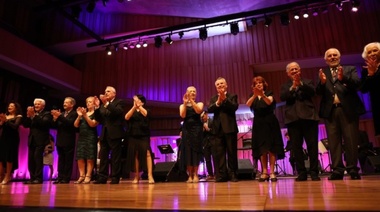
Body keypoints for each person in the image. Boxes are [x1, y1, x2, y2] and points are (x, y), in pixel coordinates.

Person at [316, 48, 365, 180]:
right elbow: (318, 92)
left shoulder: (350, 69)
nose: (332, 57)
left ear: (339, 57)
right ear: (326, 59)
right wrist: (322, 83)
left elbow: (357, 84)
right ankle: (337, 170)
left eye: (335, 55)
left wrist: (344, 78)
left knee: (351, 139)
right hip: (330, 111)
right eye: (329, 56)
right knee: (333, 142)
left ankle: (352, 169)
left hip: (348, 109)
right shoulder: (323, 73)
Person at [280, 62, 320, 181]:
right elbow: (283, 97)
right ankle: (301, 172)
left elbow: (313, 92)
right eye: (291, 70)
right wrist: (293, 87)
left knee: (312, 146)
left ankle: (314, 172)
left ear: (300, 70)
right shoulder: (285, 86)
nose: (294, 71)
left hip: (309, 118)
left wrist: (300, 84)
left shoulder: (307, 81)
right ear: (287, 73)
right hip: (293, 119)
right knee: (296, 147)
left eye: (296, 69)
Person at [246, 76, 284, 182]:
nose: (258, 84)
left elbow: (269, 102)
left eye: (260, 83)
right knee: (262, 148)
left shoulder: (269, 93)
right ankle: (264, 171)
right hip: (259, 124)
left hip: (270, 122)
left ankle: (272, 172)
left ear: (264, 84)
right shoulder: (252, 96)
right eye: (256, 83)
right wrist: (255, 95)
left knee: (271, 148)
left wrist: (262, 95)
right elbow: (248, 104)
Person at [208, 77, 239, 182]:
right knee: (219, 153)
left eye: (222, 83)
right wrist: (218, 102)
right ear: (216, 87)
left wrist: (224, 99)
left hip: (230, 128)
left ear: (226, 85)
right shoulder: (213, 98)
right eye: (218, 84)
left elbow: (234, 107)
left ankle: (233, 174)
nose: (220, 85)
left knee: (231, 152)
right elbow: (210, 109)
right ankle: (222, 175)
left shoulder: (232, 96)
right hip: (217, 130)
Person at [93, 86, 126, 184]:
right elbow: (98, 118)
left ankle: (115, 177)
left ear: (114, 94)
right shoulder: (103, 105)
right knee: (103, 156)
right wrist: (97, 107)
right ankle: (102, 177)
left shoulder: (119, 102)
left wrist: (106, 103)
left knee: (115, 157)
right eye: (105, 91)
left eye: (108, 91)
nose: (106, 93)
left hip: (115, 133)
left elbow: (117, 112)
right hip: (104, 133)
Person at [124, 94, 154, 184]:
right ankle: (137, 176)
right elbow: (126, 117)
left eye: (138, 100)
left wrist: (139, 106)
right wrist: (134, 107)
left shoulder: (146, 110)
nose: (136, 102)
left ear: (142, 102)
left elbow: (145, 114)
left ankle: (150, 175)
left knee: (147, 153)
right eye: (135, 100)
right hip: (133, 135)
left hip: (144, 135)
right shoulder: (132, 110)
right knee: (136, 155)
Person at [23, 98, 53, 184]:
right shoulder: (33, 114)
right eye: (35, 104)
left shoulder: (47, 114)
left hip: (41, 139)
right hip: (32, 139)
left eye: (38, 104)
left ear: (43, 105)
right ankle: (32, 178)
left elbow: (44, 123)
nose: (36, 106)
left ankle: (38, 178)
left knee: (37, 158)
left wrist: (34, 116)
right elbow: (25, 125)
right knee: (31, 159)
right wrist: (28, 116)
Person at [180, 86, 204, 183]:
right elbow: (182, 115)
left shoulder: (199, 103)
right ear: (187, 92)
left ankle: (196, 174)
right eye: (191, 91)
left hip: (197, 130)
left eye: (194, 91)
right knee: (188, 152)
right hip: (186, 130)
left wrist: (191, 101)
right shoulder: (182, 105)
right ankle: (190, 175)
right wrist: (186, 103)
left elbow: (198, 110)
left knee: (196, 152)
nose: (193, 93)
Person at [51, 97, 78, 184]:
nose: (64, 104)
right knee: (61, 159)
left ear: (72, 104)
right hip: (60, 139)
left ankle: (66, 178)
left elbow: (70, 123)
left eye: (66, 102)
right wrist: (55, 119)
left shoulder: (74, 114)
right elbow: (56, 126)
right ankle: (60, 177)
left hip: (69, 139)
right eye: (64, 102)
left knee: (68, 160)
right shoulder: (62, 114)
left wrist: (60, 117)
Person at [73, 96, 99, 184]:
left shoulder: (96, 113)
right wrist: (79, 116)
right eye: (87, 102)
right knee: (80, 157)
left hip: (91, 137)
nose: (88, 103)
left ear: (94, 103)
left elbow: (92, 124)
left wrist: (85, 115)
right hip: (82, 137)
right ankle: (81, 175)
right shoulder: (83, 113)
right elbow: (76, 125)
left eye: (90, 102)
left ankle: (88, 175)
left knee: (90, 157)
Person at [0, 102, 23, 185]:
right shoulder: (5, 115)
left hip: (12, 139)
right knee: (1, 157)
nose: (9, 107)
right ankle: (1, 176)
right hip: (3, 138)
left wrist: (6, 121)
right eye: (9, 106)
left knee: (9, 157)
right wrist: (2, 122)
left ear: (16, 108)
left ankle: (8, 176)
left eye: (12, 106)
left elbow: (15, 126)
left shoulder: (18, 116)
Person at [360, 42, 380, 137]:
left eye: (375, 50)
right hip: (377, 106)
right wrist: (371, 74)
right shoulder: (366, 70)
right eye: (369, 52)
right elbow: (363, 89)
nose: (372, 53)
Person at [201, 111, 215, 181]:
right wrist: (203, 130)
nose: (202, 118)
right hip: (206, 144)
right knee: (207, 160)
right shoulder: (201, 123)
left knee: (215, 159)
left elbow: (215, 131)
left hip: (213, 143)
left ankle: (216, 174)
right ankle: (210, 174)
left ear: (206, 115)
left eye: (203, 116)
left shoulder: (212, 120)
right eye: (201, 117)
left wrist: (208, 129)